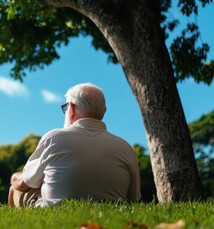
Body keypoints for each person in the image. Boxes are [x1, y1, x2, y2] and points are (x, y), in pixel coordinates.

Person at [8, 83, 141, 207]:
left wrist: (15, 177)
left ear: (71, 108)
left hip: (54, 212)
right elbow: (133, 199)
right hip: (111, 216)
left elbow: (25, 184)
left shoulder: (54, 138)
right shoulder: (126, 148)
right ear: (104, 111)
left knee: (15, 189)